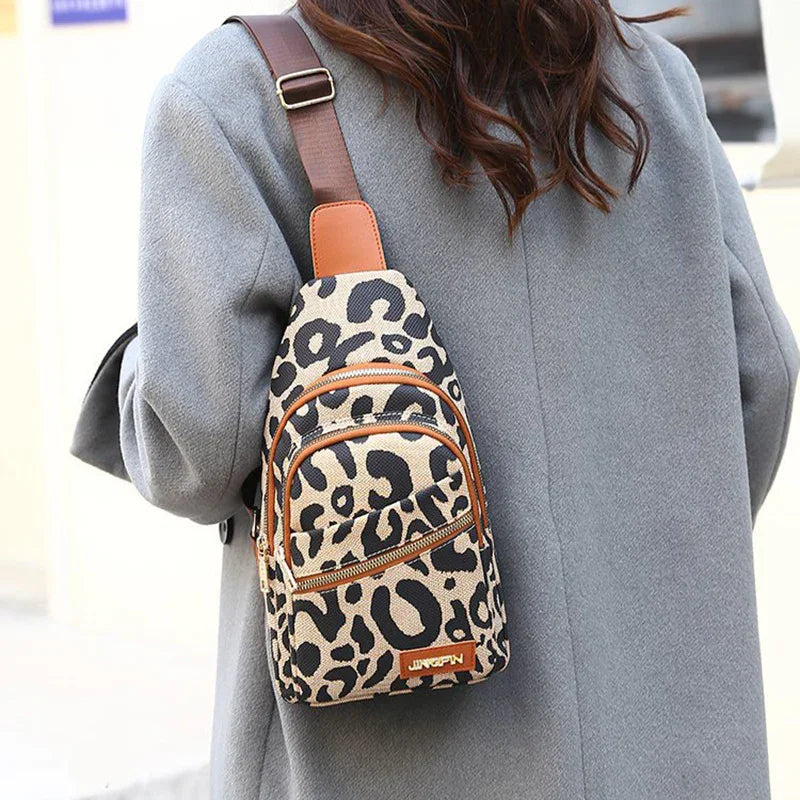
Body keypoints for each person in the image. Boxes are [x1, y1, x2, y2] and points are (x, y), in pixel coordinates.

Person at [72, 2, 799, 798]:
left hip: (384, 744)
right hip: (667, 743)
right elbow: (762, 373)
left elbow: (196, 447)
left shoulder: (240, 94)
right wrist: (641, 560)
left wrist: (141, 366)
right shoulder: (647, 81)